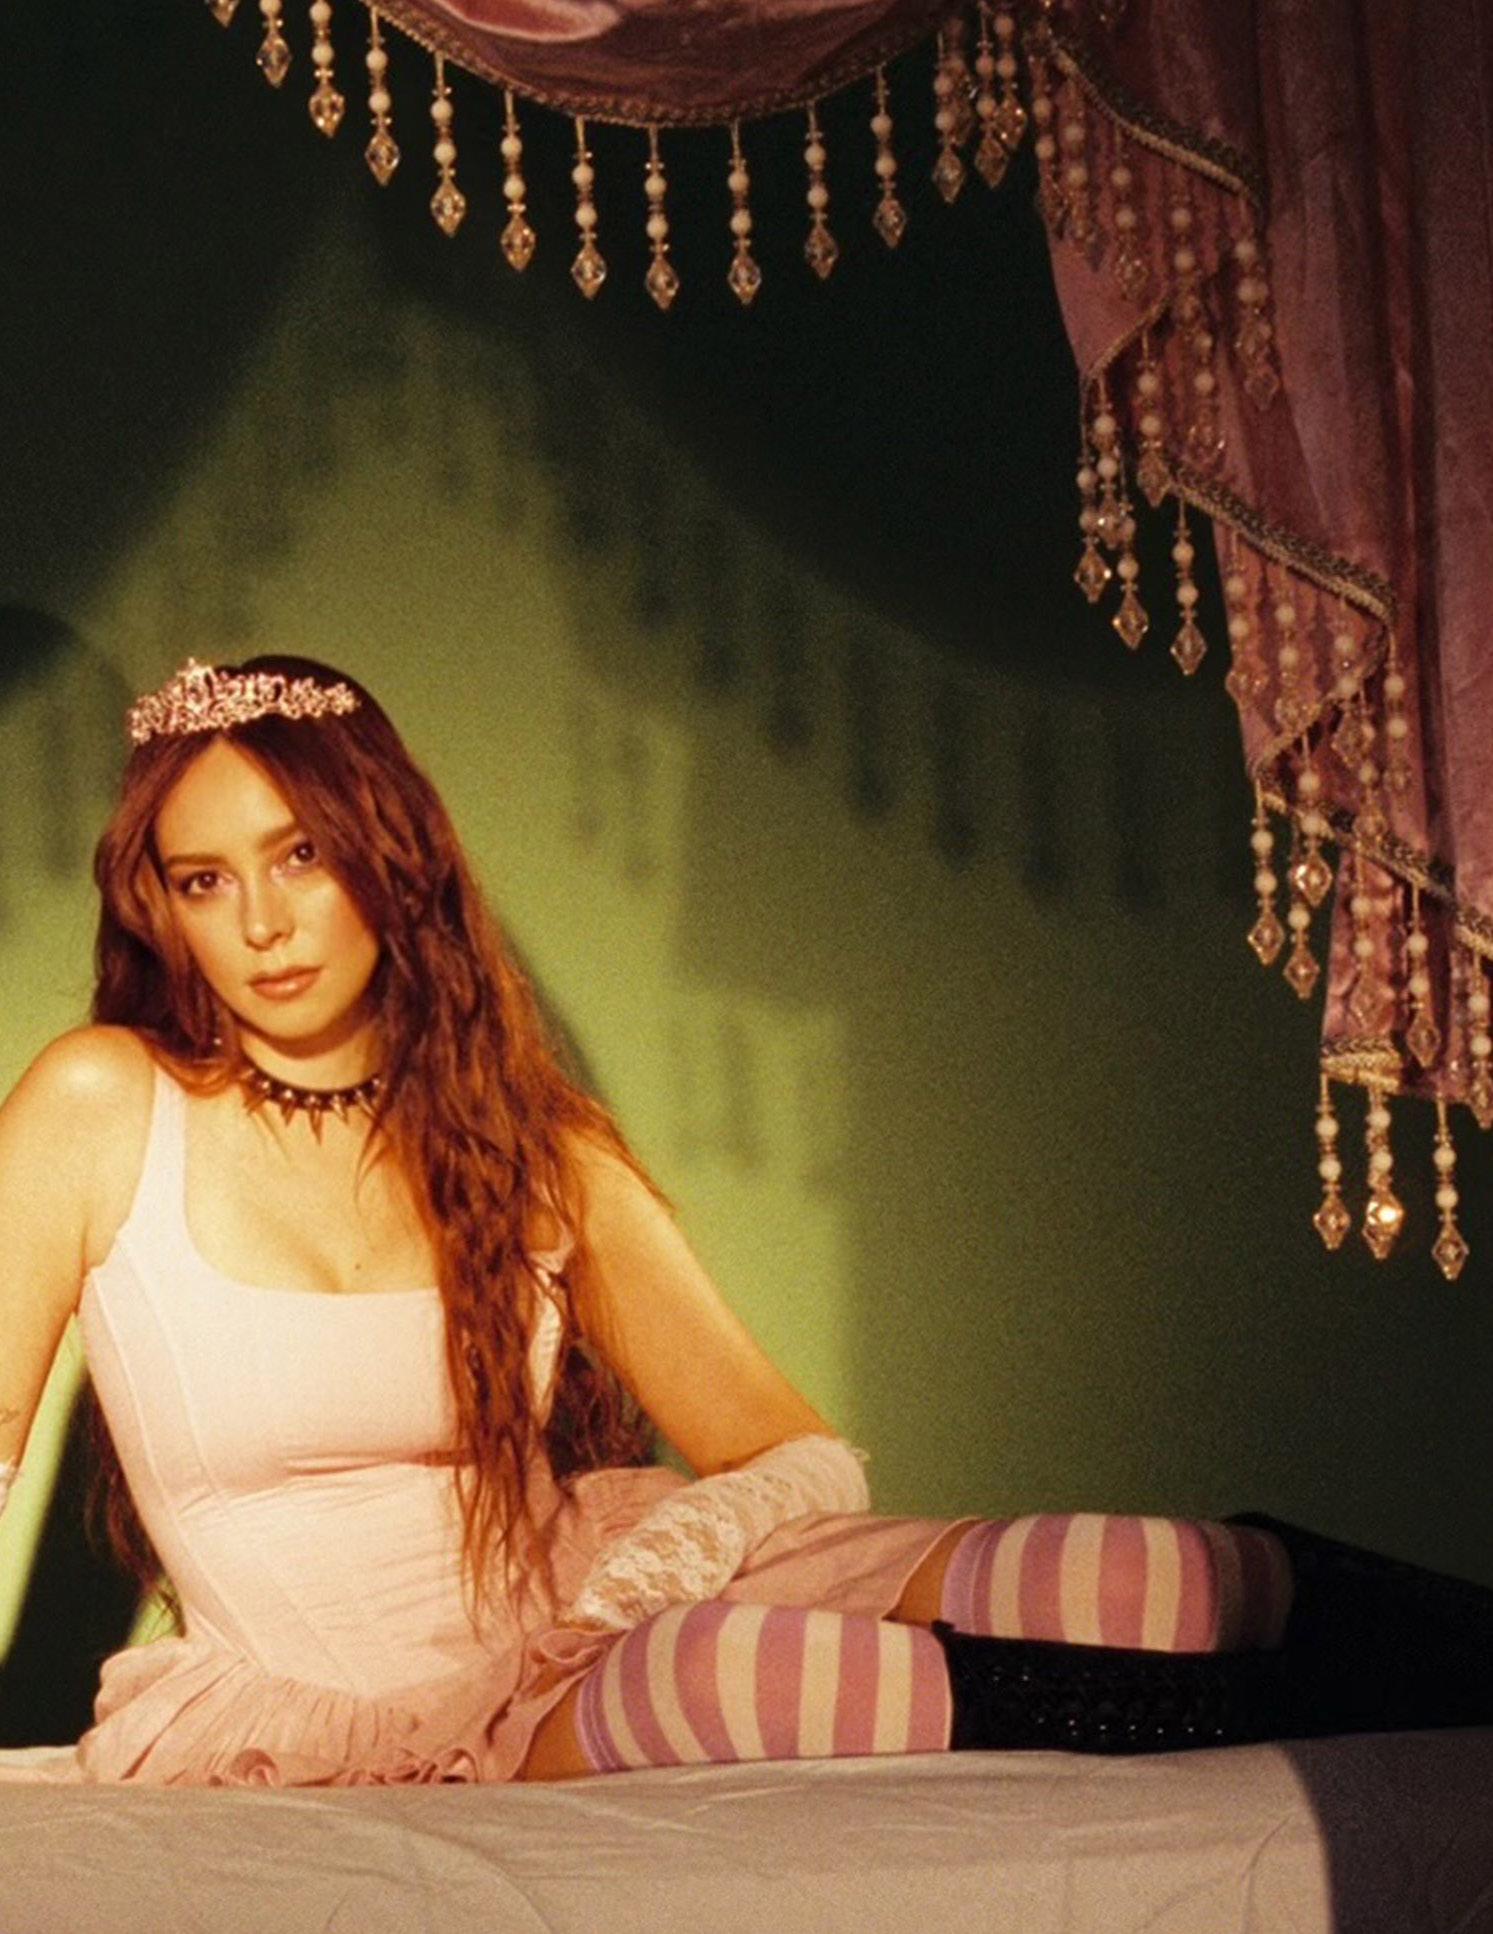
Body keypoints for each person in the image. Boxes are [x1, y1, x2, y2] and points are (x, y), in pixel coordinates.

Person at [0, 656, 1472, 1788]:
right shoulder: (99, 1102)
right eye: (206, 880)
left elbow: (787, 1448)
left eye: (301, 856)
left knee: (1140, 1579)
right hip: (353, 1710)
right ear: (162, 909)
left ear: (388, 854)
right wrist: (645, 1629)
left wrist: (638, 1584)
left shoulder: (529, 1144)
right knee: (717, 1668)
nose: (261, 923)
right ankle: (1291, 1718)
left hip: (589, 1598)